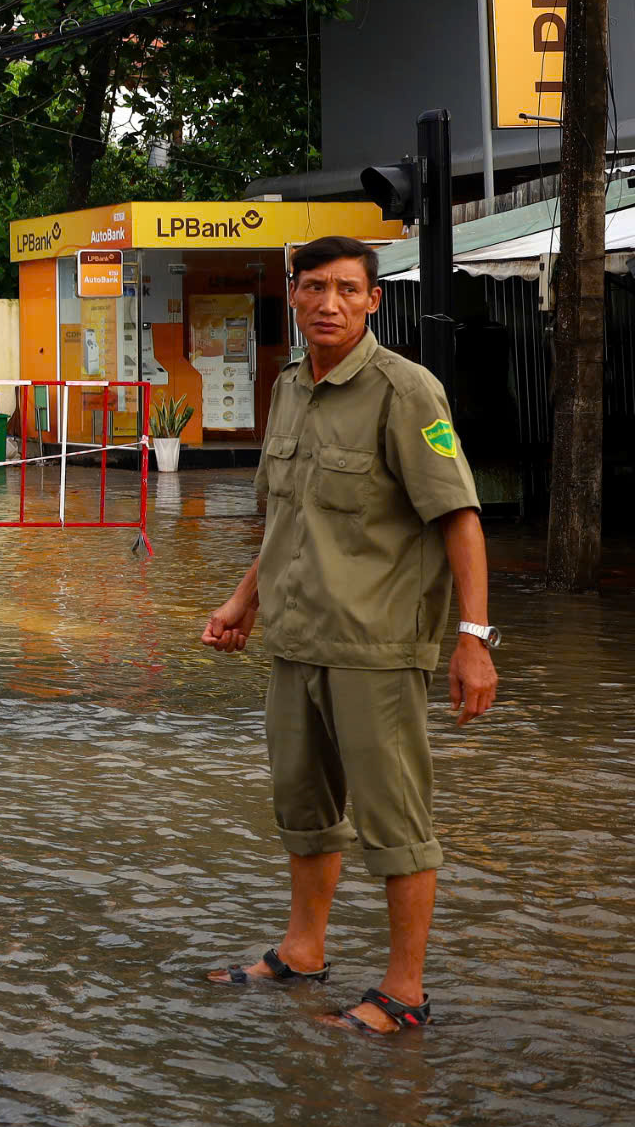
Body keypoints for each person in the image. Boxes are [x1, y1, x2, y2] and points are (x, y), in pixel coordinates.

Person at [200, 235, 496, 1035]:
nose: (330, 302)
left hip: (377, 645)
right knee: (303, 808)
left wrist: (474, 637)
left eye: (348, 288)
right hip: (296, 641)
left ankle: (403, 993)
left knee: (397, 823)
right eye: (315, 287)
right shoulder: (291, 388)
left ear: (372, 300)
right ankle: (302, 949)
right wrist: (242, 602)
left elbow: (459, 519)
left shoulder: (407, 391)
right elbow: (287, 515)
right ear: (292, 295)